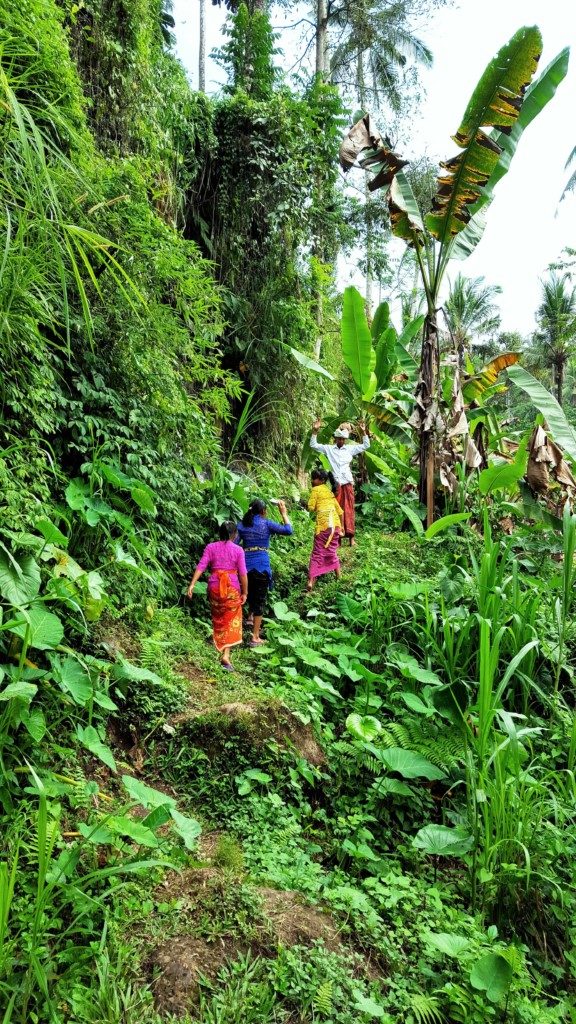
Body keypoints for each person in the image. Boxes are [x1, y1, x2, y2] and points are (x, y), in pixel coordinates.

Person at [187, 521, 247, 671]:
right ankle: (226, 654)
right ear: (234, 535)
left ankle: (221, 647)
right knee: (232, 618)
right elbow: (243, 573)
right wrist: (245, 592)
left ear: (219, 533)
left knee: (219, 618)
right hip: (231, 589)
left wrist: (192, 584)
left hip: (214, 588)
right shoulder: (238, 550)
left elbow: (201, 565)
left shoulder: (211, 547)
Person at [236, 498, 293, 646]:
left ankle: (239, 628)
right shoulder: (266, 523)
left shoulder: (242, 526)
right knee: (259, 600)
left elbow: (234, 544)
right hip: (261, 566)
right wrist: (284, 513)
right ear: (263, 511)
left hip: (244, 567)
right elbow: (288, 530)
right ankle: (255, 637)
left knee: (244, 595)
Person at [310, 419, 370, 545]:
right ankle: (337, 537)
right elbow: (314, 445)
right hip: (336, 484)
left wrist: (364, 432)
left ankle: (351, 537)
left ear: (345, 440)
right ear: (335, 439)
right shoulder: (329, 449)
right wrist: (315, 431)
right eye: (339, 439)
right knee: (335, 509)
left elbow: (366, 446)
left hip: (347, 482)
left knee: (348, 509)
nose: (341, 441)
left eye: (343, 439)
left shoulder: (349, 449)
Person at [307, 469, 343, 591]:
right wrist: (341, 528)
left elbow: (311, 507)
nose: (312, 481)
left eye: (314, 478)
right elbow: (340, 512)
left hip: (323, 526)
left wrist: (303, 503)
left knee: (317, 552)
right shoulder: (330, 492)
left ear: (321, 480)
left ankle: (311, 581)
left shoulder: (315, 490)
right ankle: (339, 576)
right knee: (332, 551)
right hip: (335, 525)